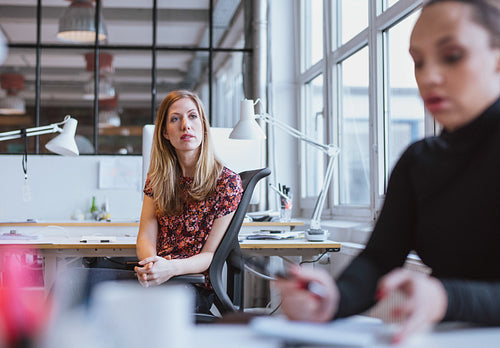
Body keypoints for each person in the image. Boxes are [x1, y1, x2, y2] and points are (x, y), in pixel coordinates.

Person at [275, 0, 500, 343]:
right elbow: (379, 259)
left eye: (452, 55)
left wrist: (446, 297)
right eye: (418, 62)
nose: (428, 76)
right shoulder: (419, 160)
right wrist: (334, 299)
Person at [135, 90, 243, 313]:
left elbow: (209, 256)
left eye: (193, 116)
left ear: (203, 126)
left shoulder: (227, 182)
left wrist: (170, 269)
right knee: (77, 281)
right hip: (158, 276)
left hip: (192, 285)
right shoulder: (157, 178)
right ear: (165, 132)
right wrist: (152, 266)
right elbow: (145, 234)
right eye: (175, 119)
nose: (186, 125)